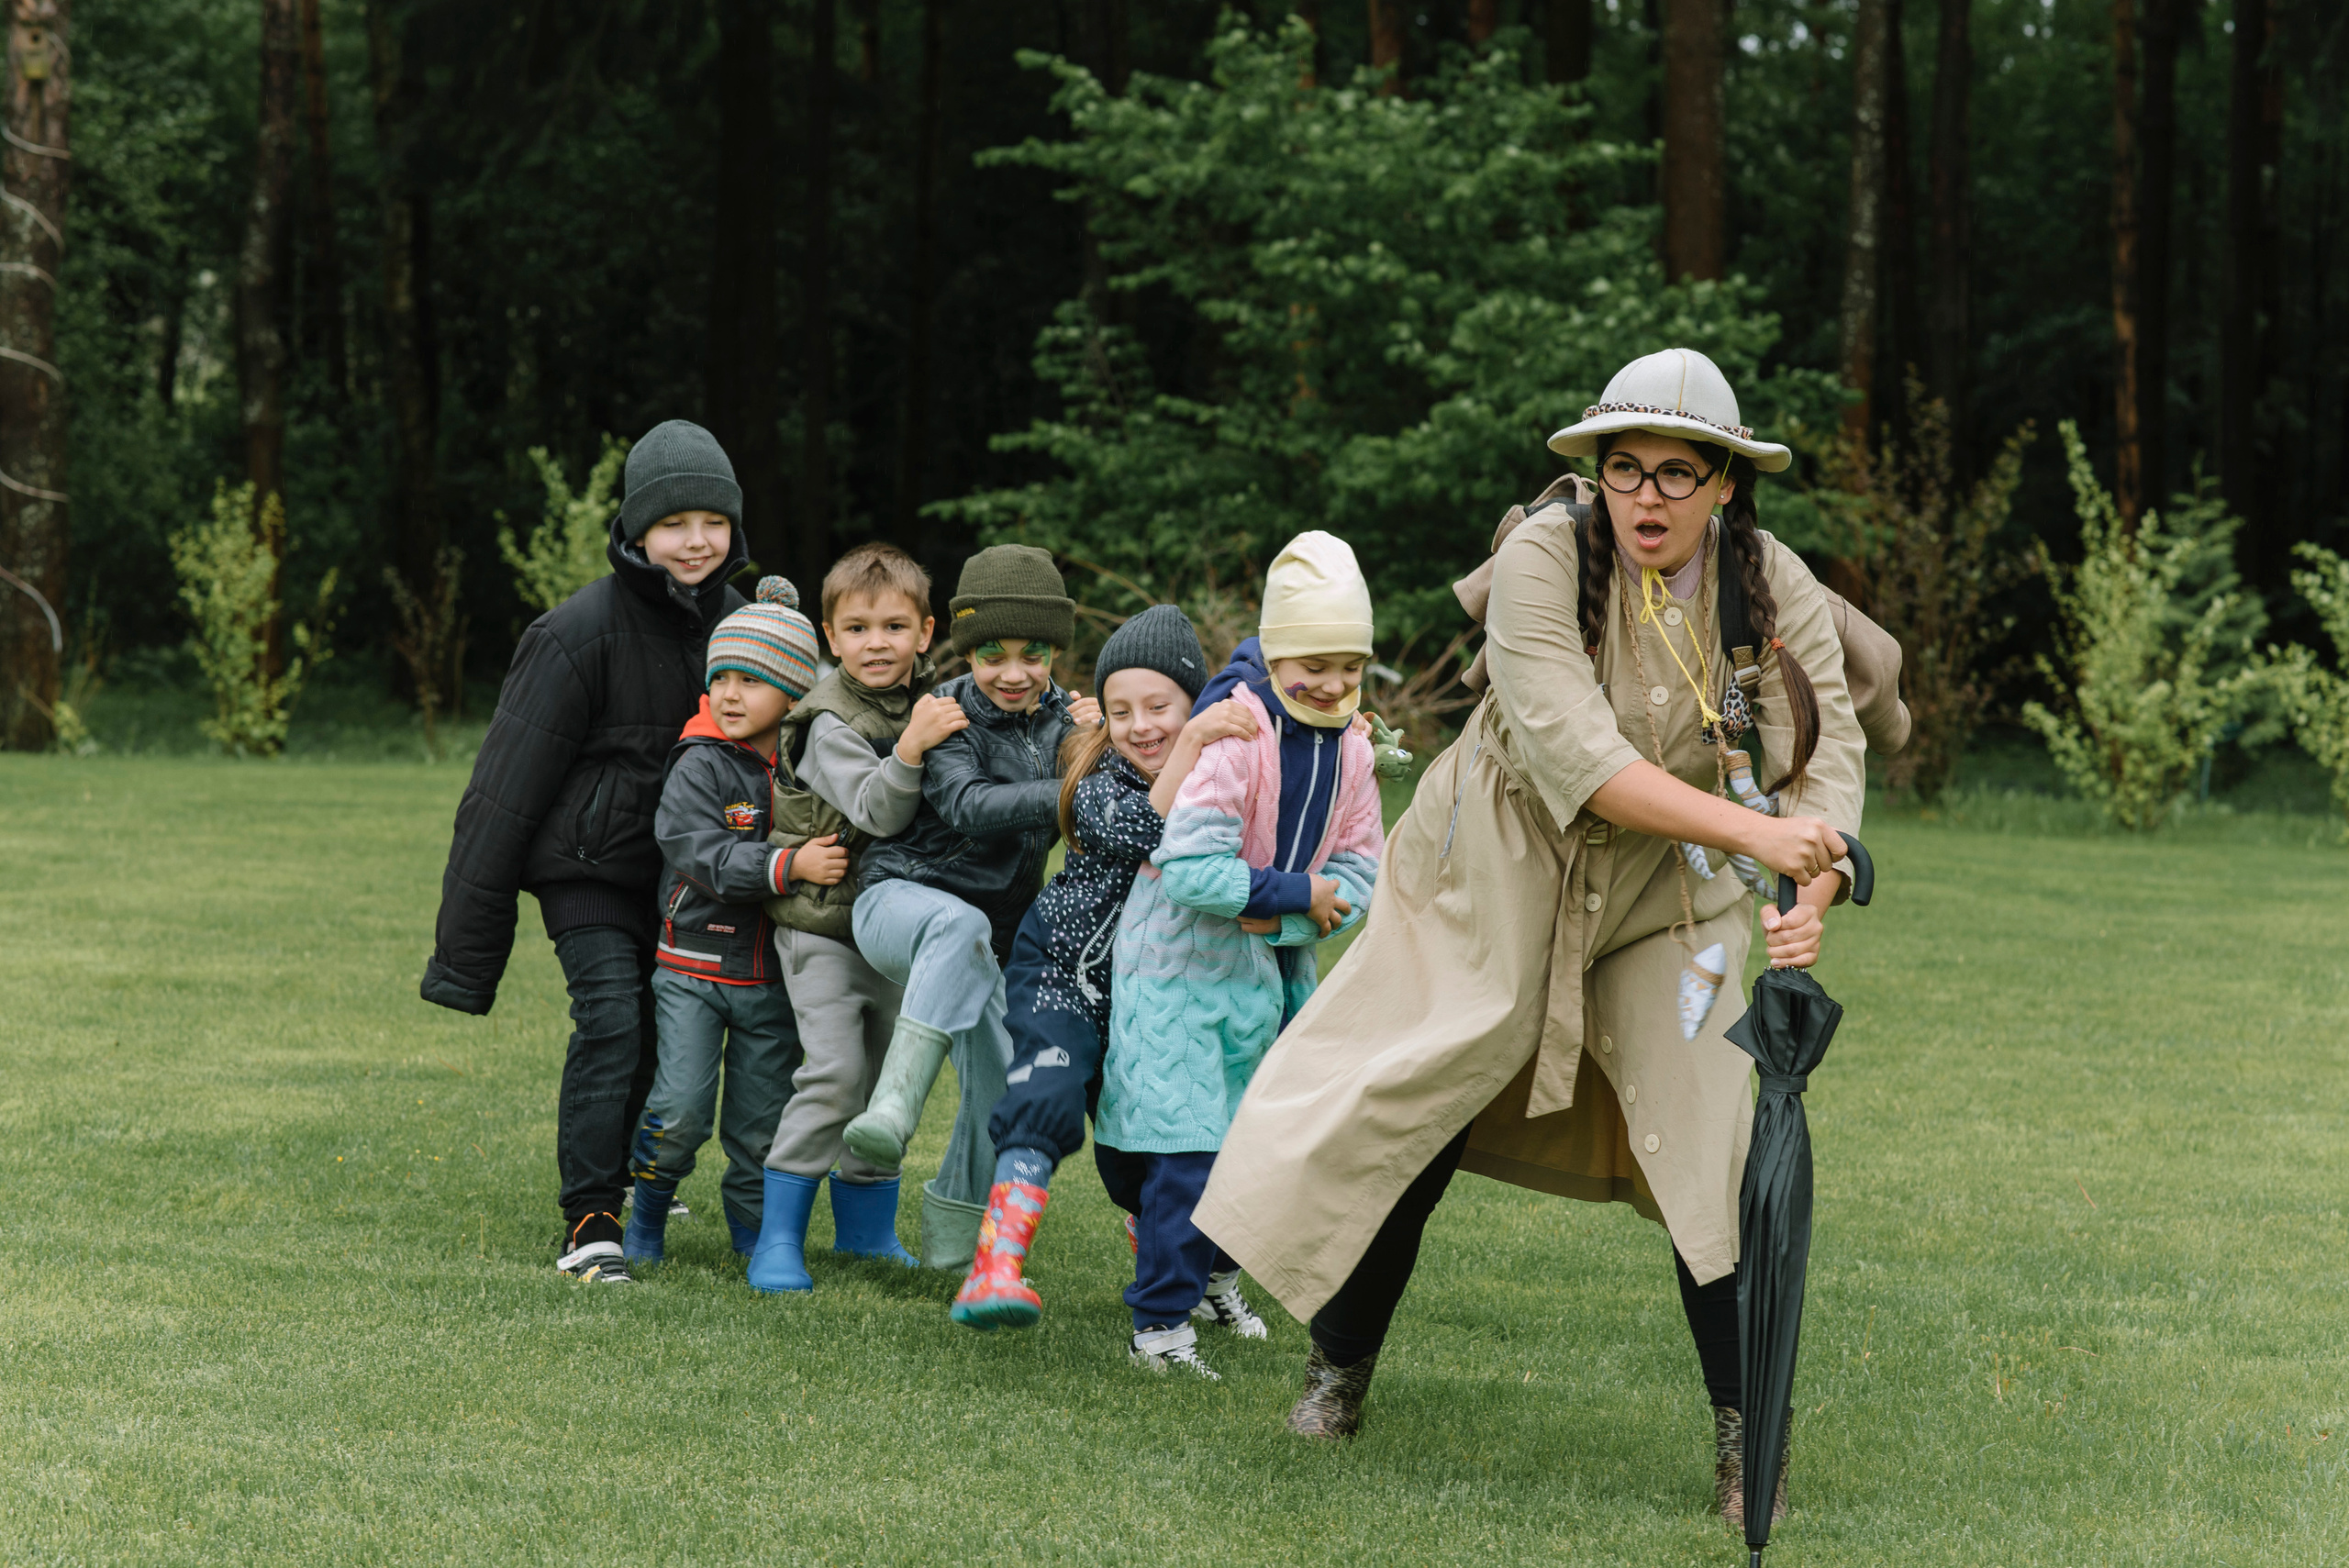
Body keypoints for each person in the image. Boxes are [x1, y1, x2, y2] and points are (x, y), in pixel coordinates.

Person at [1189, 348, 1865, 1527]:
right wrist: (1764, 841)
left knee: (1711, 1139)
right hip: (1488, 868)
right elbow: (1578, 756)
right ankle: (1336, 1370)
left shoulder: (1771, 581)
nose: (1646, 496)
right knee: (1423, 1095)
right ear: (1595, 474)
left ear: (1723, 485)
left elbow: (1828, 746)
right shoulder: (1541, 558)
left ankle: (1747, 1434)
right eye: (1622, 469)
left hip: (1678, 908)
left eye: (1675, 472)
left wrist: (1820, 867)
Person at [420, 420, 751, 1285]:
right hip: (589, 869)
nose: (695, 540)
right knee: (613, 1019)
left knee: (668, 1035)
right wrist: (466, 957)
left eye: (712, 521)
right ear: (637, 530)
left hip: (697, 880)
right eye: (674, 522)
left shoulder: (750, 628)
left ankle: (648, 1174)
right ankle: (591, 1218)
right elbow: (500, 794)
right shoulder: (573, 633)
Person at [1095, 534, 1388, 1379]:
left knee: (1254, 1153)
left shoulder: (1355, 749)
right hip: (1179, 969)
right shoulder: (1235, 734)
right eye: (1311, 663)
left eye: (1349, 666)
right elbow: (1187, 864)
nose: (1331, 684)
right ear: (1274, 654)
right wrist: (1294, 895)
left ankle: (1215, 1279)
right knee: (1182, 1154)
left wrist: (1295, 925)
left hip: (1272, 979)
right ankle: (1158, 1329)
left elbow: (1361, 871)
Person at [950, 605, 1256, 1332]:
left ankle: (1192, 1269)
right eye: (1120, 710)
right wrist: (1193, 745)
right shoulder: (1096, 782)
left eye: (1161, 707)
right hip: (1060, 973)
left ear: (1196, 701)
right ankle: (996, 1265)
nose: (1141, 725)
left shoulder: (1227, 782)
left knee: (1147, 1157)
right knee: (1046, 1097)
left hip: (1154, 996)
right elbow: (1140, 829)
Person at [838, 545, 1101, 1266]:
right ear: (967, 649)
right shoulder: (947, 712)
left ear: (1054, 651)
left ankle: (953, 1249)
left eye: (1033, 653)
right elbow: (966, 804)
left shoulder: (1067, 722)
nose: (1013, 672)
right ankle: (893, 1105)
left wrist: (1097, 745)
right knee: (959, 920)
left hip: (989, 942)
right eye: (992, 653)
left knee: (1005, 1080)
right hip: (899, 903)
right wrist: (1077, 788)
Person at [746, 543, 961, 1293]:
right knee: (836, 1075)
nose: (878, 643)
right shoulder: (827, 719)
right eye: (860, 628)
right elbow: (876, 806)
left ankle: (866, 1231)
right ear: (831, 639)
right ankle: (778, 1239)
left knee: (884, 1086)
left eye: (895, 626)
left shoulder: (929, 694)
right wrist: (910, 748)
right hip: (822, 928)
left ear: (925, 632)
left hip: (894, 929)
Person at [620, 578, 829, 1267]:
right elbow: (699, 853)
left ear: (793, 693)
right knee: (679, 1108)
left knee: (760, 1125)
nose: (731, 694)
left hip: (776, 975)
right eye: (722, 678)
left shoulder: (813, 762)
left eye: (752, 679)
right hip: (692, 967)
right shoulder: (699, 760)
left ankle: (755, 1233)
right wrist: (788, 865)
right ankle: (647, 1209)